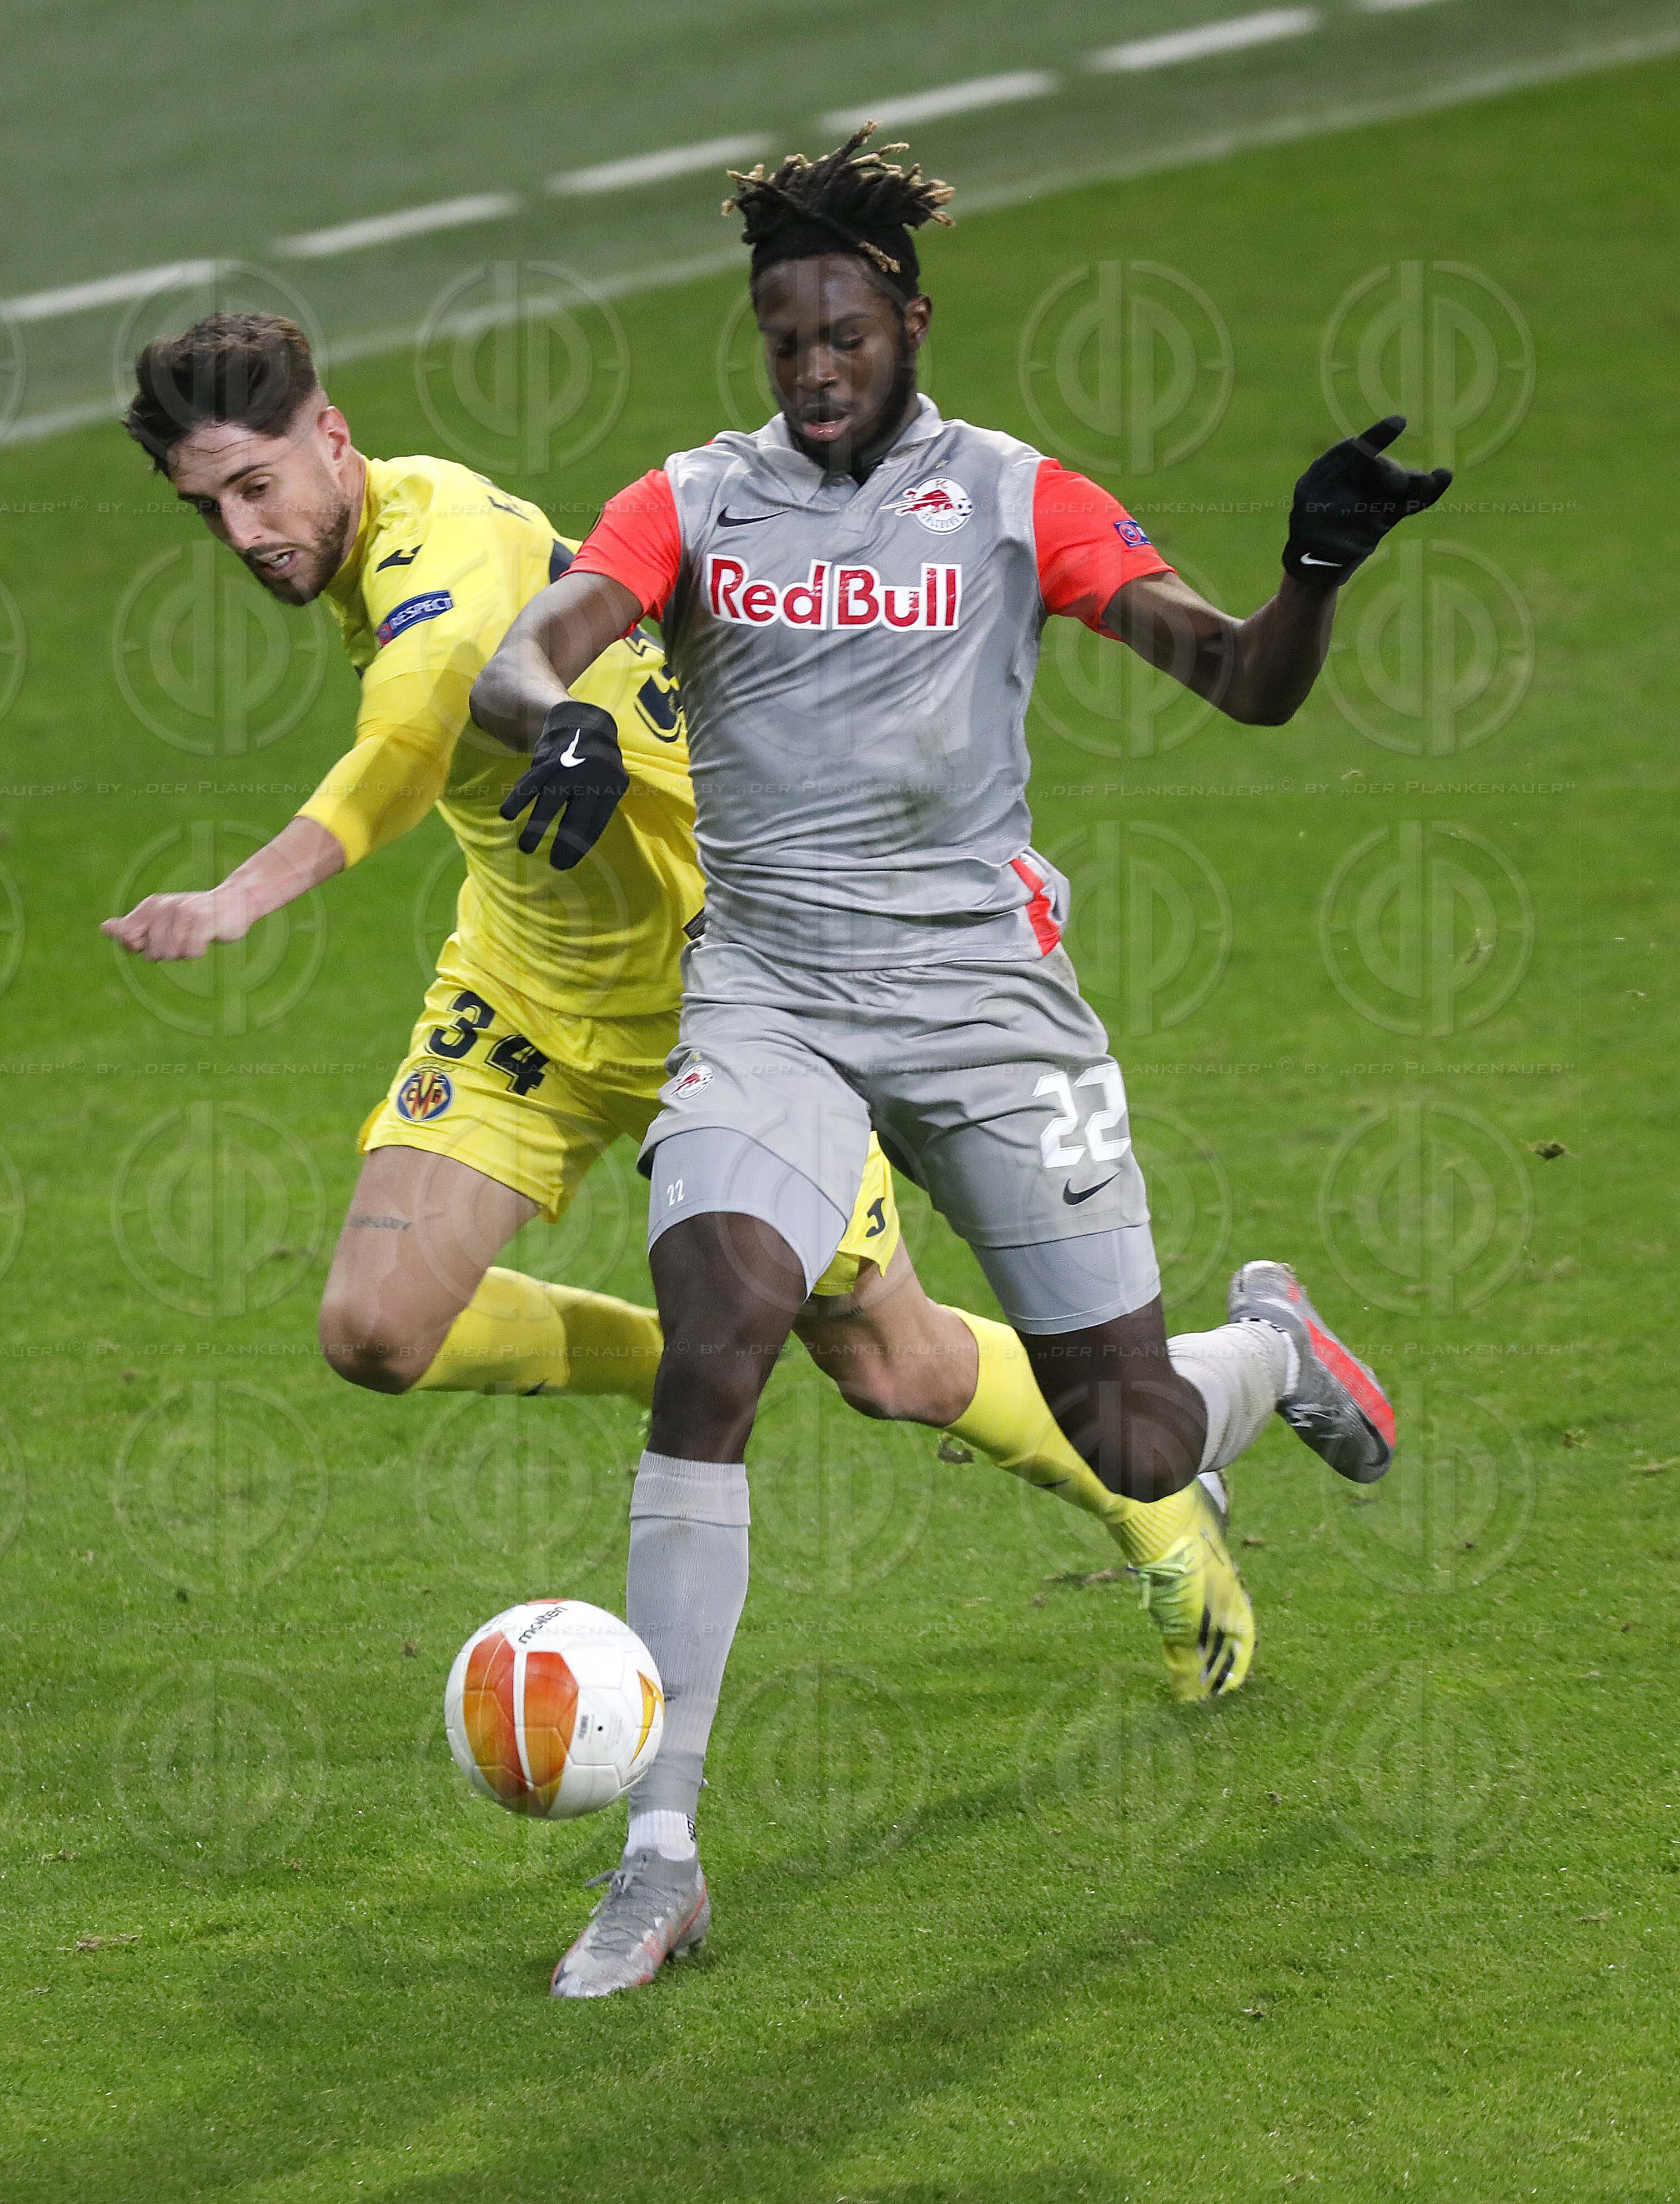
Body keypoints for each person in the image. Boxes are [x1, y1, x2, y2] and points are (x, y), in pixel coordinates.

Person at [473, 127, 1442, 1997]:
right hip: (769, 993)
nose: (812, 370)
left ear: (907, 318)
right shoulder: (691, 499)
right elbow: (533, 652)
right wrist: (561, 726)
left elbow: (1239, 677)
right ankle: (656, 1851)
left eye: (840, 333)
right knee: (720, 1331)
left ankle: (1269, 1352)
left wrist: (1309, 574)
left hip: (990, 1003)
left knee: (1132, 1430)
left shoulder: (1012, 497)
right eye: (782, 342)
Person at [101, 313, 1247, 1706]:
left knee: (897, 1367)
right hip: (525, 987)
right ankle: (693, 1355)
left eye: (257, 486)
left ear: (331, 435)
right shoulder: (368, 532)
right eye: (207, 506)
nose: (240, 532)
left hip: (735, 1003)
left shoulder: (439, 564)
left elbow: (409, 741)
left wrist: (240, 897)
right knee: (379, 1330)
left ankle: (1165, 1506)